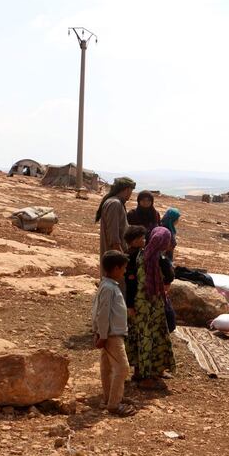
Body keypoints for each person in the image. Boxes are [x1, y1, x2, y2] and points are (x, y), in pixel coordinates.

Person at [128, 227, 176, 390]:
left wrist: (130, 305)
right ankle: (146, 377)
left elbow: (132, 283)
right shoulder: (160, 260)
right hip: (151, 305)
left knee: (142, 337)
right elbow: (169, 278)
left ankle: (143, 372)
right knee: (150, 338)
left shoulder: (139, 255)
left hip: (140, 304)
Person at [92, 250, 136, 417]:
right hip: (112, 335)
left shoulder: (107, 286)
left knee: (107, 367)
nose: (124, 271)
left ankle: (109, 397)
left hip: (108, 333)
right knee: (122, 368)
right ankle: (114, 404)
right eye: (123, 268)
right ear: (116, 268)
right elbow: (102, 313)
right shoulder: (109, 288)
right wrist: (102, 335)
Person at [95, 177, 136, 273]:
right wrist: (122, 259)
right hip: (115, 259)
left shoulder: (116, 202)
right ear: (127, 189)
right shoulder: (115, 204)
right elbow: (114, 237)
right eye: (131, 190)